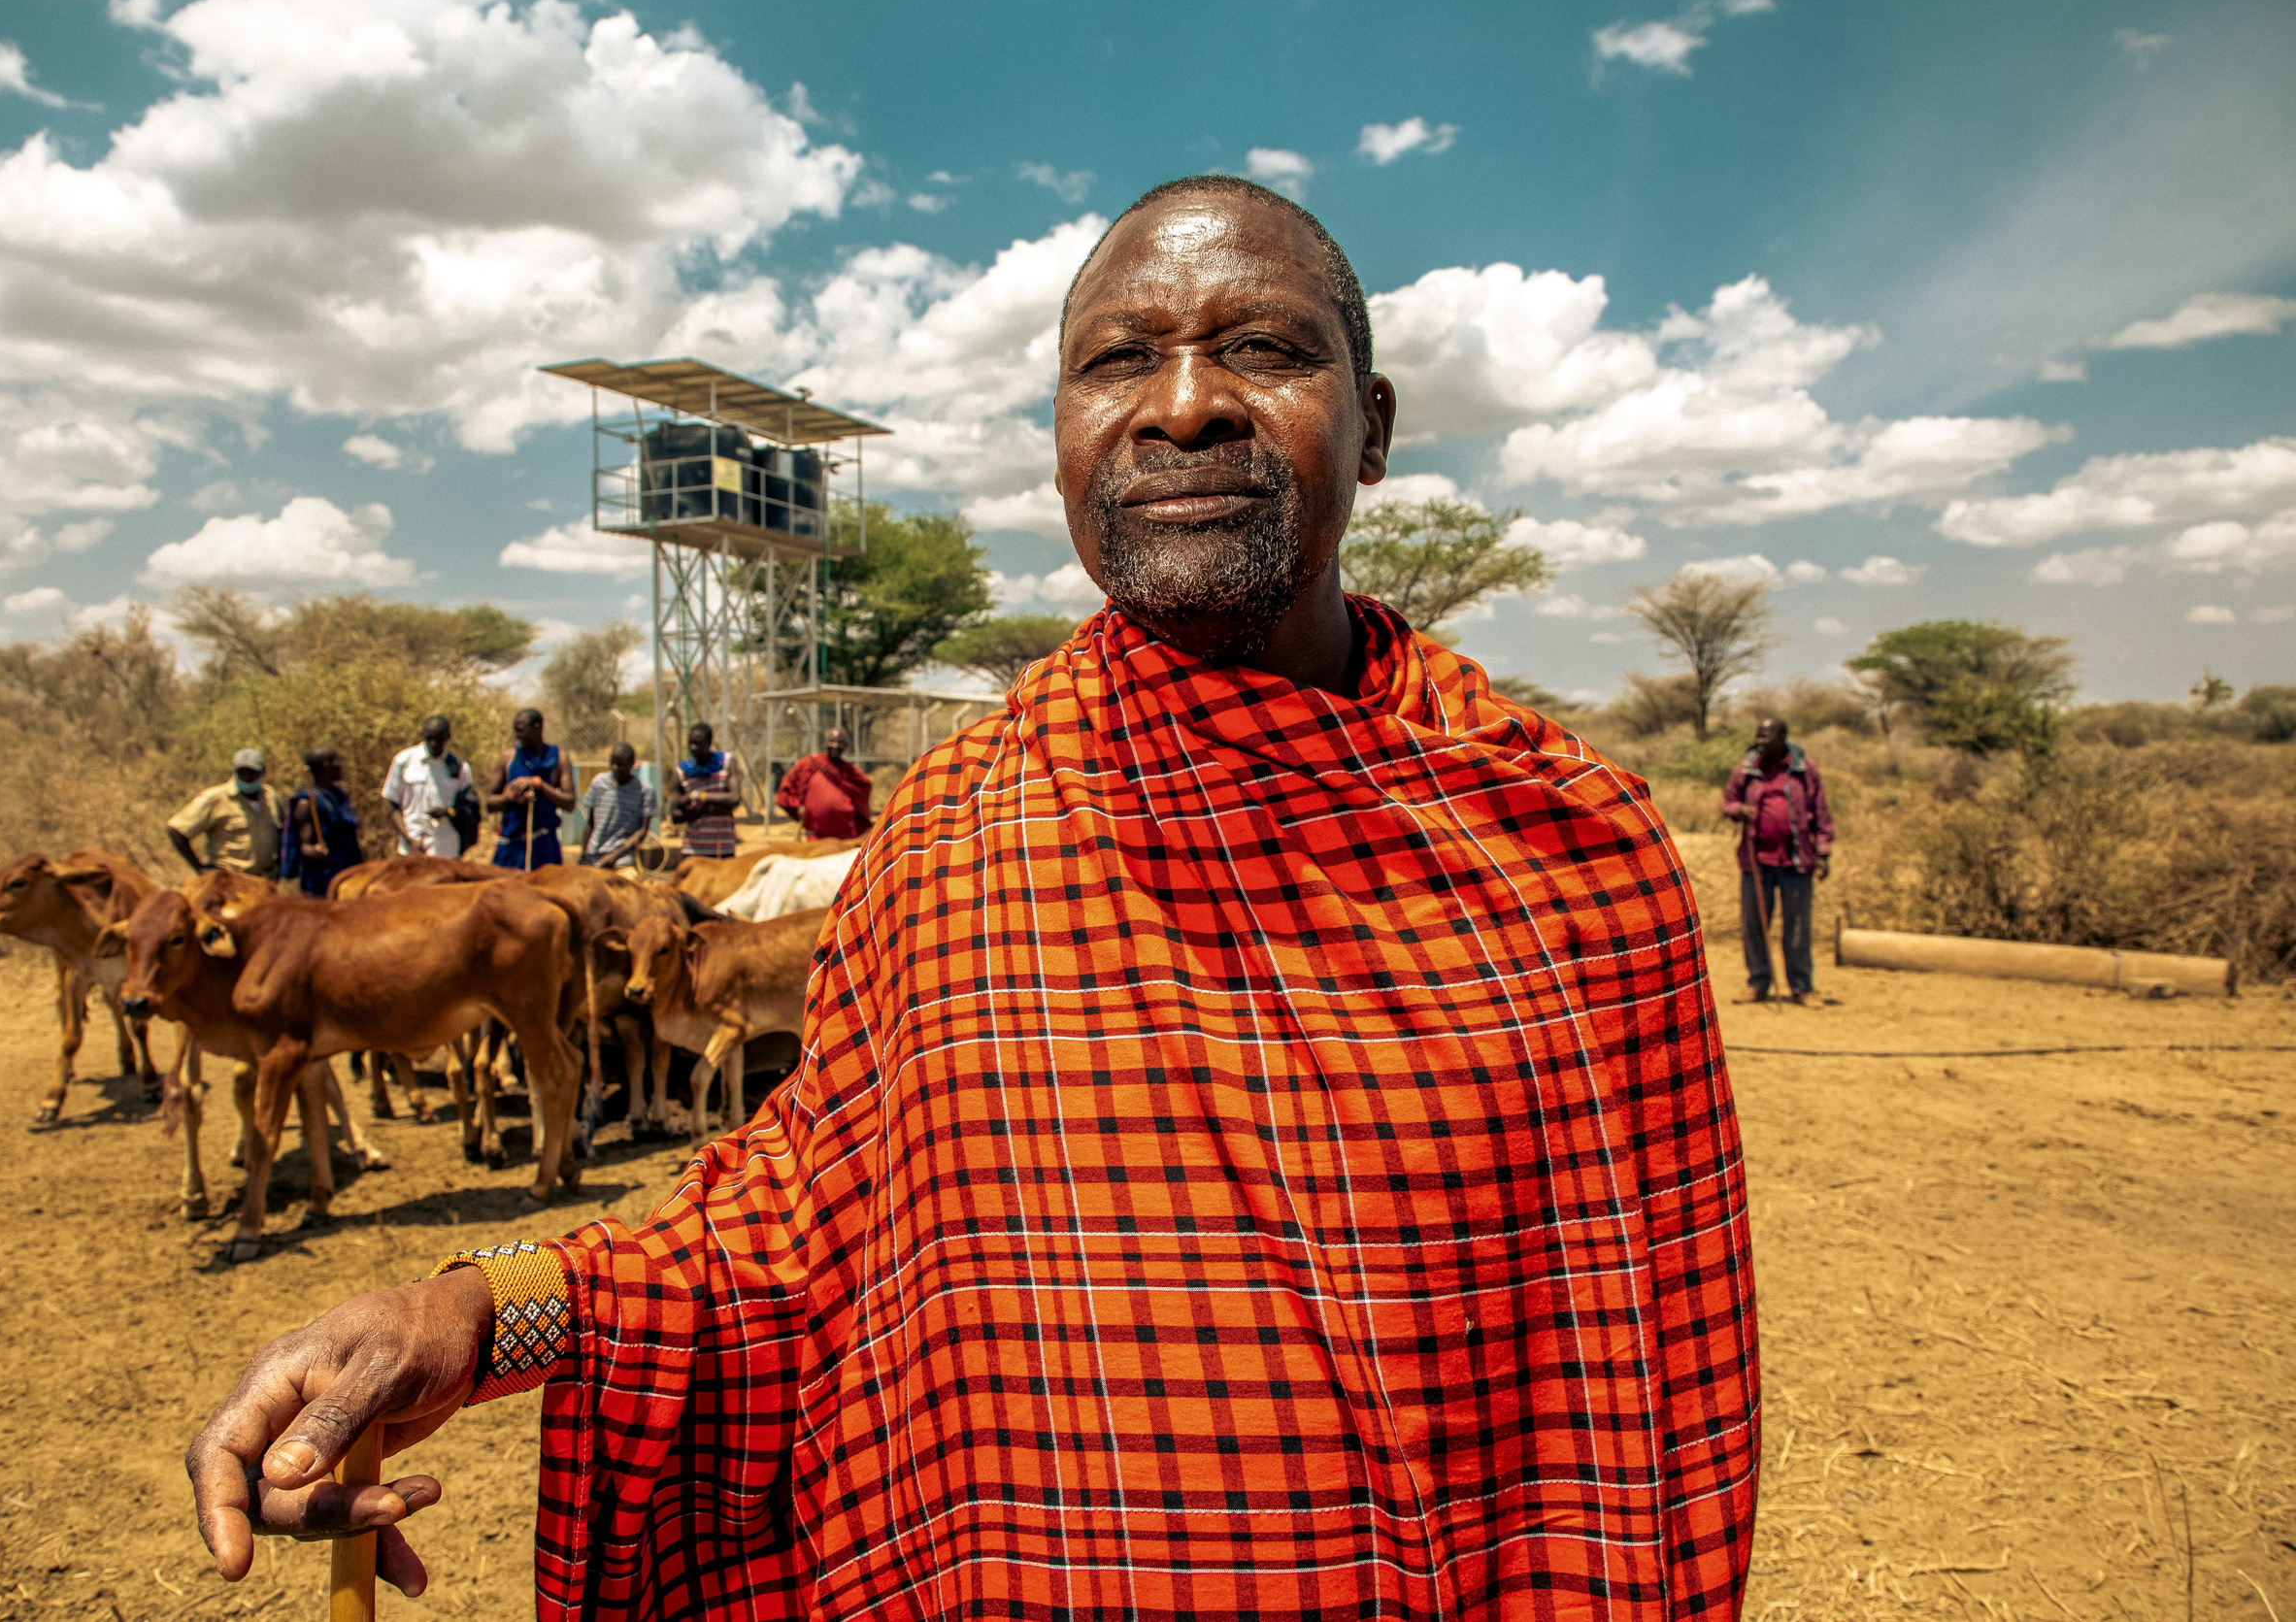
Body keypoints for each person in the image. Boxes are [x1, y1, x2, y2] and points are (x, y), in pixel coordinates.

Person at [183, 176, 1758, 1619]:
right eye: (1118, 361)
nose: (1186, 402)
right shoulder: (956, 841)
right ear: (1063, 435)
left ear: (1376, 422)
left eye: (1262, 347)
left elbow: (1654, 1408)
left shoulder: (1567, 856)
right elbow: (791, 1217)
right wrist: (474, 1309)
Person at [1721, 715, 1834, 1004]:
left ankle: (1802, 987)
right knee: (1755, 924)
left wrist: (1823, 851)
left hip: (1796, 862)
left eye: (1765, 738)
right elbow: (1728, 801)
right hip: (1756, 862)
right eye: (1757, 736)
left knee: (1797, 927)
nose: (1759, 743)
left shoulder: (1803, 769)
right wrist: (1738, 810)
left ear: (1782, 737)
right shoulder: (1746, 769)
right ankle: (1758, 983)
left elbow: (1819, 808)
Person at [165, 748, 281, 879]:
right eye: (242, 772)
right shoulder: (216, 798)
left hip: (265, 880)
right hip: (229, 881)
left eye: (252, 772)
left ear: (263, 771)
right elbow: (176, 830)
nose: (247, 777)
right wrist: (199, 868)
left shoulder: (270, 796)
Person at [381, 716, 474, 859]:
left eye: (439, 738)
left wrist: (448, 811)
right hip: (412, 847)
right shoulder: (404, 761)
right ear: (423, 736)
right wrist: (409, 839)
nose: (434, 743)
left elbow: (469, 808)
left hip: (446, 849)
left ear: (448, 737)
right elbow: (393, 806)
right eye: (429, 738)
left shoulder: (459, 767)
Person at [491, 707, 572, 871]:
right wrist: (509, 798)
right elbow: (489, 803)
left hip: (544, 845)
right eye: (515, 730)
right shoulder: (508, 758)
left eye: (521, 730)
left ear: (537, 727)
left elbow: (569, 803)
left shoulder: (559, 758)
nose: (517, 735)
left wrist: (540, 785)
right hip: (511, 846)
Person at [281, 746, 365, 898]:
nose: (341, 765)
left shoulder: (337, 796)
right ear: (326, 765)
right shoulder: (307, 803)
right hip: (322, 877)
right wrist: (315, 850)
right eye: (337, 761)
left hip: (346, 868)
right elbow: (304, 846)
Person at [775, 725, 873, 841]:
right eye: (832, 741)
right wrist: (796, 806)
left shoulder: (851, 772)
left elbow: (864, 786)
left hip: (845, 836)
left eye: (840, 742)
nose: (835, 745)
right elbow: (786, 789)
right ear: (826, 743)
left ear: (846, 745)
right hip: (816, 834)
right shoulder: (809, 764)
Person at [669, 720, 745, 858]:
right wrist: (708, 809)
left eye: (698, 743)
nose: (693, 747)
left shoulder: (726, 763)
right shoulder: (682, 771)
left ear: (709, 742)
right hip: (693, 850)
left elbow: (734, 798)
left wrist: (699, 796)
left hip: (722, 849)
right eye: (690, 743)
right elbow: (674, 814)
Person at [578, 743, 656, 870]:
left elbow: (642, 830)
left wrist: (615, 855)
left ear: (632, 764)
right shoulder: (598, 783)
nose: (615, 768)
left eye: (620, 764)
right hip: (594, 857)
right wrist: (584, 855)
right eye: (612, 762)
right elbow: (591, 823)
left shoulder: (645, 791)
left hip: (623, 861)